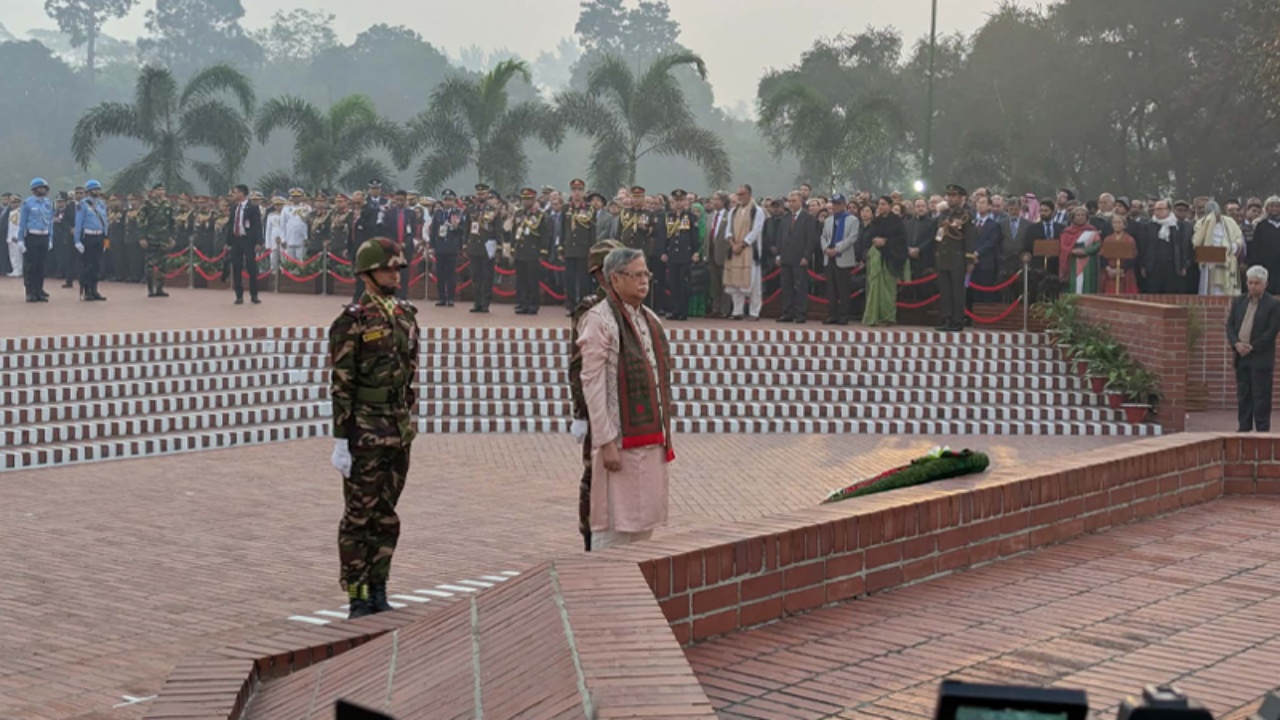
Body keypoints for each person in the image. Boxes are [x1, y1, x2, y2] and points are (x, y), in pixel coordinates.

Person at [329, 236, 420, 618]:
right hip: (364, 429)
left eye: (397, 268)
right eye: (385, 268)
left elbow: (411, 371)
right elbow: (342, 382)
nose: (393, 275)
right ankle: (358, 594)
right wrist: (340, 439)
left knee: (386, 514)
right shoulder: (351, 320)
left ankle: (379, 587)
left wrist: (409, 418)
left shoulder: (405, 314)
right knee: (358, 517)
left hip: (397, 429)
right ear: (366, 273)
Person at [577, 247, 674, 551]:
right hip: (618, 443)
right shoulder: (599, 320)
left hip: (650, 440)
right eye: (637, 275)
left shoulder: (649, 318)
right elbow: (592, 385)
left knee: (643, 528)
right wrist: (605, 441)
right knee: (614, 528)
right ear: (615, 279)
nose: (644, 281)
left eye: (647, 274)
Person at [569, 238, 625, 551]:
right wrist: (580, 413)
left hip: (627, 410)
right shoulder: (590, 311)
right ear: (601, 275)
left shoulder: (633, 306)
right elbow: (579, 368)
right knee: (595, 476)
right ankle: (591, 539)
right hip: (599, 408)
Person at [1227, 266, 1280, 432]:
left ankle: (1263, 431)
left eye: (1256, 283)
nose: (1252, 286)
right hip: (1241, 356)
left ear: (1265, 284)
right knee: (1244, 396)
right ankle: (1243, 429)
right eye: (1250, 283)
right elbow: (1230, 326)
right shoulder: (1239, 301)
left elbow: (1271, 331)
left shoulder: (1273, 304)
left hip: (1260, 357)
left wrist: (1252, 346)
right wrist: (1236, 343)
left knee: (1261, 397)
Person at [862, 195, 909, 326]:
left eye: (884, 204)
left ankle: (888, 317)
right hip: (876, 259)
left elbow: (902, 240)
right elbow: (867, 237)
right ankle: (873, 316)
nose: (881, 207)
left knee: (888, 290)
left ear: (889, 206)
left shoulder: (897, 222)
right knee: (874, 288)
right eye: (879, 204)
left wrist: (886, 242)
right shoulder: (875, 221)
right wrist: (874, 241)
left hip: (890, 258)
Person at [935, 185, 975, 332]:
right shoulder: (944, 214)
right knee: (945, 290)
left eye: (954, 196)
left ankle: (957, 320)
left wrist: (969, 259)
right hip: (944, 256)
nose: (950, 198)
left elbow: (969, 238)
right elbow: (939, 235)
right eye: (949, 195)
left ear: (961, 198)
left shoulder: (965, 215)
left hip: (958, 257)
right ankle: (947, 318)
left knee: (957, 291)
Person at [725, 185, 766, 321]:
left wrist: (742, 244)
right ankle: (737, 311)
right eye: (738, 195)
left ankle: (754, 312)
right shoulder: (733, 211)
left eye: (742, 194)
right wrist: (733, 244)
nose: (739, 197)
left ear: (749, 194)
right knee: (734, 283)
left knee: (754, 284)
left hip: (749, 251)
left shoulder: (757, 211)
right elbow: (728, 231)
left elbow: (756, 230)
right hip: (735, 251)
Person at [1139, 199, 1193, 294]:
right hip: (1153, 265)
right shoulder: (1148, 226)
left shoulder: (1178, 226)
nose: (1157, 212)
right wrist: (1143, 265)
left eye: (1160, 209)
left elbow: (1184, 246)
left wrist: (1185, 265)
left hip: (1172, 266)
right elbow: (1144, 247)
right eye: (1155, 209)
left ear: (1168, 210)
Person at [512, 187, 553, 315]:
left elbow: (545, 235)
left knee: (532, 280)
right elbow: (515, 231)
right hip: (520, 251)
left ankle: (533, 303)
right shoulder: (519, 213)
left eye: (528, 199)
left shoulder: (540, 215)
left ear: (534, 200)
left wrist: (543, 252)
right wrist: (513, 248)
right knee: (521, 279)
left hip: (533, 252)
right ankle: (522, 302)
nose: (525, 202)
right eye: (524, 199)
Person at [820, 194, 859, 325]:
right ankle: (832, 314)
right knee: (830, 288)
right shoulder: (828, 220)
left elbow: (852, 238)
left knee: (843, 288)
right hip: (829, 257)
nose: (835, 206)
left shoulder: (852, 220)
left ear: (843, 204)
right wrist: (826, 248)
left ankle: (844, 314)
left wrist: (836, 249)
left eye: (838, 204)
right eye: (834, 204)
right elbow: (823, 237)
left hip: (843, 257)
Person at [1192, 200, 1244, 296]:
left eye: (1217, 213)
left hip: (1228, 261)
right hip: (1210, 264)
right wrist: (1209, 224)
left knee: (1226, 292)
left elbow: (1239, 238)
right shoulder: (1201, 223)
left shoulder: (1230, 222)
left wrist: (1232, 247)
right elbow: (1196, 242)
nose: (1216, 217)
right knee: (1211, 291)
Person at [225, 184, 263, 305]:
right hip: (236, 240)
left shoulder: (252, 207)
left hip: (248, 240)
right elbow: (230, 225)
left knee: (251, 267)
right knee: (236, 267)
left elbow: (257, 225)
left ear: (242, 193)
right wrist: (228, 242)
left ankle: (254, 295)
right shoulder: (234, 207)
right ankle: (239, 295)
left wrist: (259, 241)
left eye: (235, 192)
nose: (234, 195)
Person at [562, 179, 597, 311]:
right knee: (569, 278)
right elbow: (562, 229)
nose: (577, 193)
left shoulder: (589, 209)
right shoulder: (566, 208)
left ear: (583, 192)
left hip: (584, 249)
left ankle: (583, 304)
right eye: (574, 190)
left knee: (584, 279)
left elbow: (592, 231)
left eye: (579, 190)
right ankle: (571, 304)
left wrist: (592, 248)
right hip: (570, 248)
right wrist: (561, 247)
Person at [19, 178, 55, 303]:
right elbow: (22, 223)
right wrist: (20, 240)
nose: (43, 190)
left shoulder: (48, 203)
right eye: (40, 187)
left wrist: (50, 238)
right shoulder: (28, 203)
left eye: (44, 188)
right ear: (34, 189)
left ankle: (39, 290)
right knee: (31, 266)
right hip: (32, 236)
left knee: (41, 266)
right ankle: (30, 291)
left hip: (44, 235)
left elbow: (50, 222)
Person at [662, 189, 695, 321]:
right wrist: (664, 252)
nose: (678, 203)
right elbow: (665, 237)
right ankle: (675, 310)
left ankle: (683, 311)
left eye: (681, 200)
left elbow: (694, 237)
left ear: (686, 201)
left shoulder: (690, 217)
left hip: (685, 254)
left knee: (683, 283)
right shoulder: (669, 217)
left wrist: (696, 252)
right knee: (673, 283)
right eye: (676, 201)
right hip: (672, 254)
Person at [73, 180, 109, 302]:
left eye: (98, 189)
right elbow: (78, 223)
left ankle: (94, 289)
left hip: (100, 236)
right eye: (95, 189)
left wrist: (106, 240)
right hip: (88, 237)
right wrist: (77, 241)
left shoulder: (102, 204)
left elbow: (105, 223)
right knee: (87, 265)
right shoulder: (83, 205)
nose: (97, 191)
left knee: (97, 265)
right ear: (88, 191)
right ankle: (86, 290)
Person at [139, 183, 175, 298]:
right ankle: (150, 288)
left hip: (164, 238)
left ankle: (160, 288)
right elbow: (141, 221)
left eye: (163, 190)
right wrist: (142, 237)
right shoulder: (147, 204)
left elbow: (172, 222)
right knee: (150, 264)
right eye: (158, 190)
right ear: (153, 191)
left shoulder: (168, 204)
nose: (161, 192)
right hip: (151, 238)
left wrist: (172, 237)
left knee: (163, 264)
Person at [431, 189, 465, 307]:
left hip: (452, 247)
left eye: (450, 200)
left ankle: (450, 297)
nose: (447, 202)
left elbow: (463, 230)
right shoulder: (438, 213)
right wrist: (432, 246)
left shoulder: (457, 213)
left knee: (451, 274)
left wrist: (457, 227)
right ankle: (441, 297)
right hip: (440, 247)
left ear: (454, 201)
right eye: (445, 200)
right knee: (440, 274)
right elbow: (434, 231)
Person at [1059, 206, 1102, 294]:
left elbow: (1097, 244)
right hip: (1072, 262)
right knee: (1075, 284)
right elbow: (1063, 246)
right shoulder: (1067, 232)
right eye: (1078, 215)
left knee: (1087, 283)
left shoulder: (1092, 231)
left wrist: (1085, 251)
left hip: (1089, 263)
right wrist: (1072, 251)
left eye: (1083, 215)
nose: (1081, 217)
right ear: (1073, 217)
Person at [1100, 213, 1139, 295]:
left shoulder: (1129, 240)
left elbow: (1132, 257)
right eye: (1115, 222)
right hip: (1110, 272)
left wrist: (1121, 270)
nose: (1117, 225)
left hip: (1125, 272)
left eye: (1119, 222)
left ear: (1124, 225)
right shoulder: (1107, 239)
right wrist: (1109, 269)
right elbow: (1103, 256)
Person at [6, 195, 21, 278]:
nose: (14, 204)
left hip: (16, 237)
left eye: (15, 202)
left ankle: (18, 270)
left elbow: (20, 225)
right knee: (12, 254)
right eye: (12, 203)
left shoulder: (20, 212)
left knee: (17, 255)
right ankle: (14, 269)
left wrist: (17, 235)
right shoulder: (11, 212)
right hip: (10, 236)